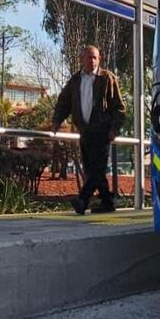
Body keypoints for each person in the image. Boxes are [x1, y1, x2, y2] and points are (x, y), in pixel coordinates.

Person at [51, 45, 127, 214]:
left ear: (99, 60)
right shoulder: (75, 80)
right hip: (84, 131)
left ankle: (82, 200)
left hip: (102, 131)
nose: (92, 61)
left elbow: (119, 107)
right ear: (81, 59)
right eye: (89, 57)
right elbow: (64, 102)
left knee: (97, 168)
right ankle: (107, 201)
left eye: (95, 57)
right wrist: (57, 120)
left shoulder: (107, 78)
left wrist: (115, 128)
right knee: (92, 170)